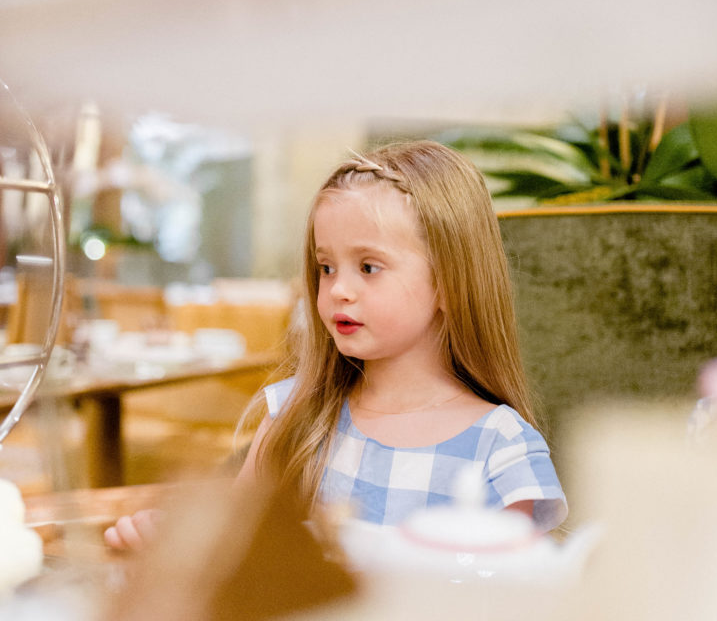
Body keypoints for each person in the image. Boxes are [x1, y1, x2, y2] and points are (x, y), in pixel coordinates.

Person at [105, 140, 566, 550]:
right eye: (326, 267)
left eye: (368, 267)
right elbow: (234, 549)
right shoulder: (295, 416)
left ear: (450, 282)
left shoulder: (502, 445)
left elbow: (524, 595)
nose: (339, 289)